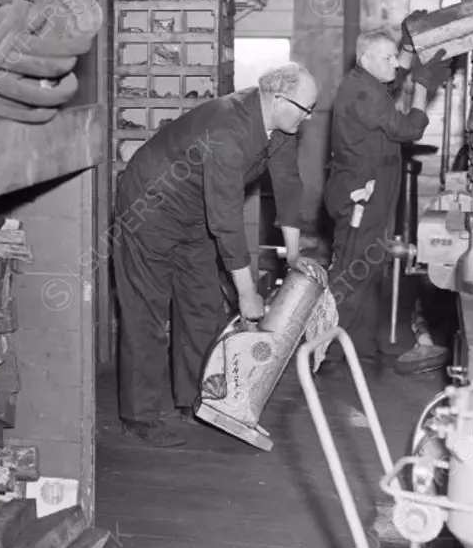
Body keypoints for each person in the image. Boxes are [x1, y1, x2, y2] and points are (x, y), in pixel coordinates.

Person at [112, 62, 320, 447]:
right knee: (147, 311)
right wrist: (246, 293)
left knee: (202, 305)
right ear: (277, 98)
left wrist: (293, 255)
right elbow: (226, 219)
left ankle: (195, 401)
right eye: (303, 108)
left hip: (194, 214)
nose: (307, 118)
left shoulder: (278, 125)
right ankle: (139, 415)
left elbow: (289, 184)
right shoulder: (227, 130)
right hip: (150, 207)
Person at [321, 28, 449, 372]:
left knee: (368, 270)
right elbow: (408, 129)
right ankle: (325, 351)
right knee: (352, 272)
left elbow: (392, 81)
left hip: (371, 194)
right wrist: (422, 87)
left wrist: (407, 51)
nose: (394, 64)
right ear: (366, 60)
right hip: (360, 198)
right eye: (388, 57)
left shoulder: (366, 83)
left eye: (395, 56)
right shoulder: (364, 93)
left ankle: (358, 348)